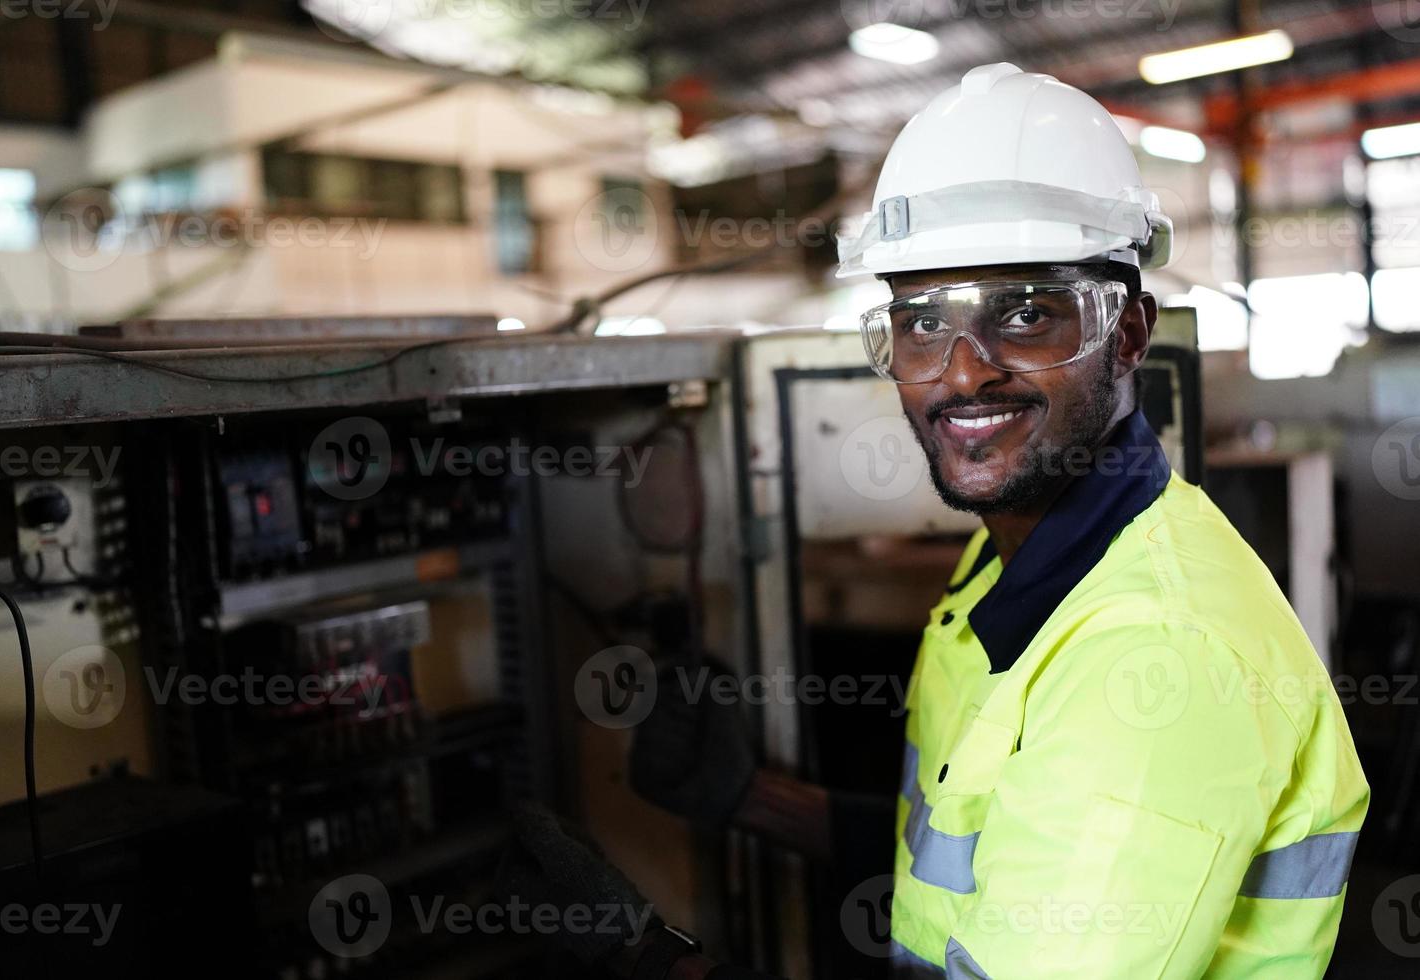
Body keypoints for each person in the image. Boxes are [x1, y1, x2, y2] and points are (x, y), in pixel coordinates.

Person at [499, 63, 1370, 979]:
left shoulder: (1156, 662)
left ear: (1129, 333)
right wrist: (752, 799)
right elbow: (977, 865)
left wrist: (653, 963)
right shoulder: (1007, 562)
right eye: (920, 321)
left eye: (1027, 313)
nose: (961, 373)